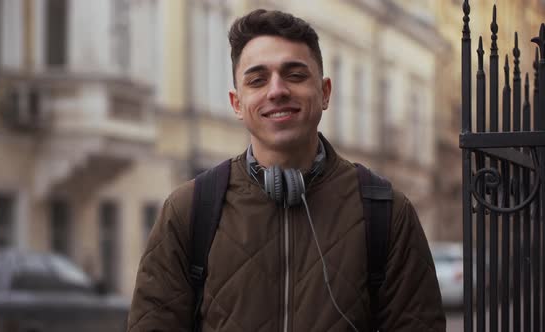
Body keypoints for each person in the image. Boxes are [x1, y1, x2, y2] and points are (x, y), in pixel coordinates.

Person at [127, 9, 445, 332]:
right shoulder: (189, 211)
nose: (276, 90)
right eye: (257, 79)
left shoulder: (387, 213)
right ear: (237, 103)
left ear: (325, 93)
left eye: (294, 75)